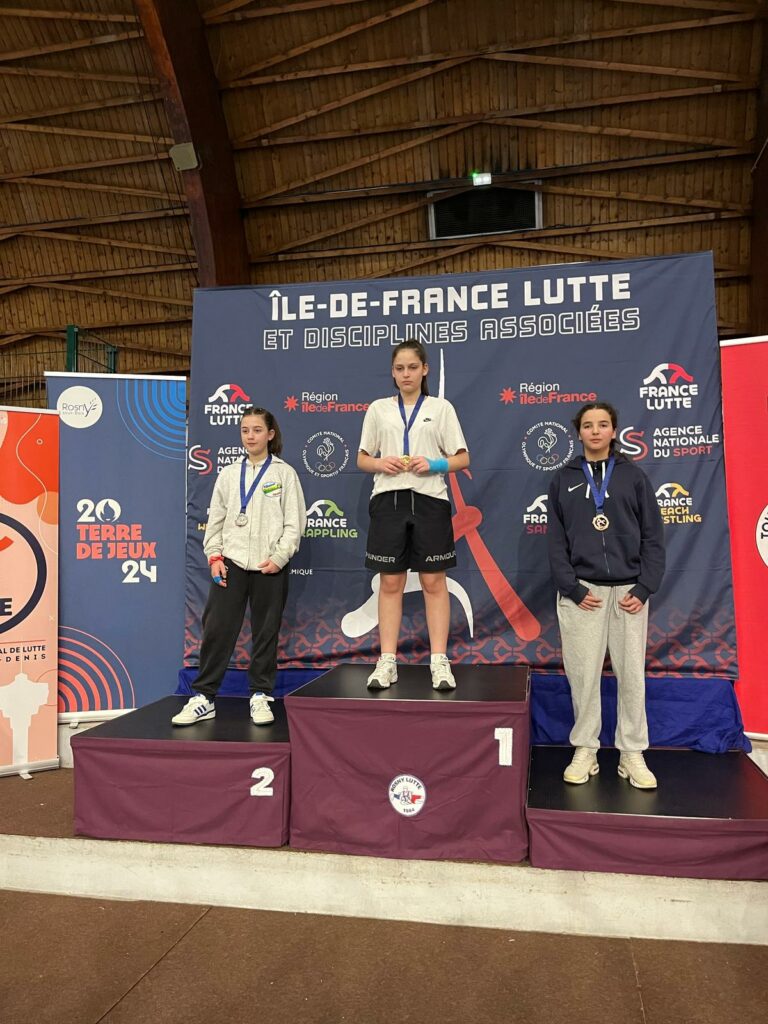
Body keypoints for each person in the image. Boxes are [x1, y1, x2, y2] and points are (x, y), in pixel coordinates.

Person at [547, 400, 665, 789]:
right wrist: (572, 587)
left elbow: (653, 537)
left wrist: (644, 587)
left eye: (602, 424)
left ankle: (632, 753)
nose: (595, 431)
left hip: (629, 594)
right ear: (578, 432)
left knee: (631, 677)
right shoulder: (563, 479)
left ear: (614, 431)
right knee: (583, 677)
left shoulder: (633, 477)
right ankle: (586, 749)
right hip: (583, 593)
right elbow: (555, 543)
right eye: (588, 425)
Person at [173, 407, 306, 727]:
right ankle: (204, 696)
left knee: (265, 633)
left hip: (269, 565)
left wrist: (280, 557)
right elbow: (215, 520)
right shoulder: (230, 474)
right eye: (245, 430)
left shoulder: (284, 474)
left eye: (257, 430)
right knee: (217, 629)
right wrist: (215, 556)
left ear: (270, 434)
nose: (250, 436)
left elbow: (295, 522)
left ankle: (260, 694)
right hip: (231, 564)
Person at [357, 340, 469, 691]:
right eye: (399, 368)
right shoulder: (378, 409)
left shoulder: (441, 408)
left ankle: (439, 661)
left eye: (412, 367)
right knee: (390, 583)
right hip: (388, 501)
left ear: (425, 370)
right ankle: (387, 661)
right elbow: (362, 458)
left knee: (434, 582)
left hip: (430, 500)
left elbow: (462, 458)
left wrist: (434, 463)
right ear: (393, 373)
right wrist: (381, 463)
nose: (406, 374)